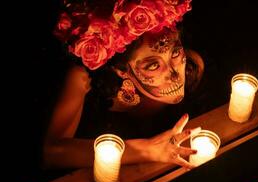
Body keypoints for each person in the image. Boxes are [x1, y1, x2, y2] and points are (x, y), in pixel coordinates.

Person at [43, 0, 206, 170]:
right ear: (121, 70)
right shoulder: (82, 78)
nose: (174, 74)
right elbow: (52, 152)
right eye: (153, 65)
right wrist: (146, 150)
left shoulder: (192, 68)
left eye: (176, 53)